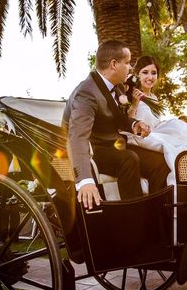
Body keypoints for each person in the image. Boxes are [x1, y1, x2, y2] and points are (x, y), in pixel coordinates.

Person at [63, 41, 169, 208]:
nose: (130, 68)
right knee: (129, 159)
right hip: (96, 151)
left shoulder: (117, 88)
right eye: (127, 63)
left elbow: (119, 118)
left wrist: (135, 124)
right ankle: (133, 218)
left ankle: (156, 213)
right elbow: (77, 137)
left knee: (160, 162)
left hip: (117, 145)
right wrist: (84, 180)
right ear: (114, 64)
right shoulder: (86, 92)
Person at [125, 56, 187, 184]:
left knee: (186, 132)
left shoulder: (153, 97)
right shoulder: (130, 95)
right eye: (145, 72)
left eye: (154, 73)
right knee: (177, 146)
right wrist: (135, 103)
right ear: (138, 75)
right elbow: (127, 121)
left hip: (156, 132)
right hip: (142, 136)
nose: (150, 77)